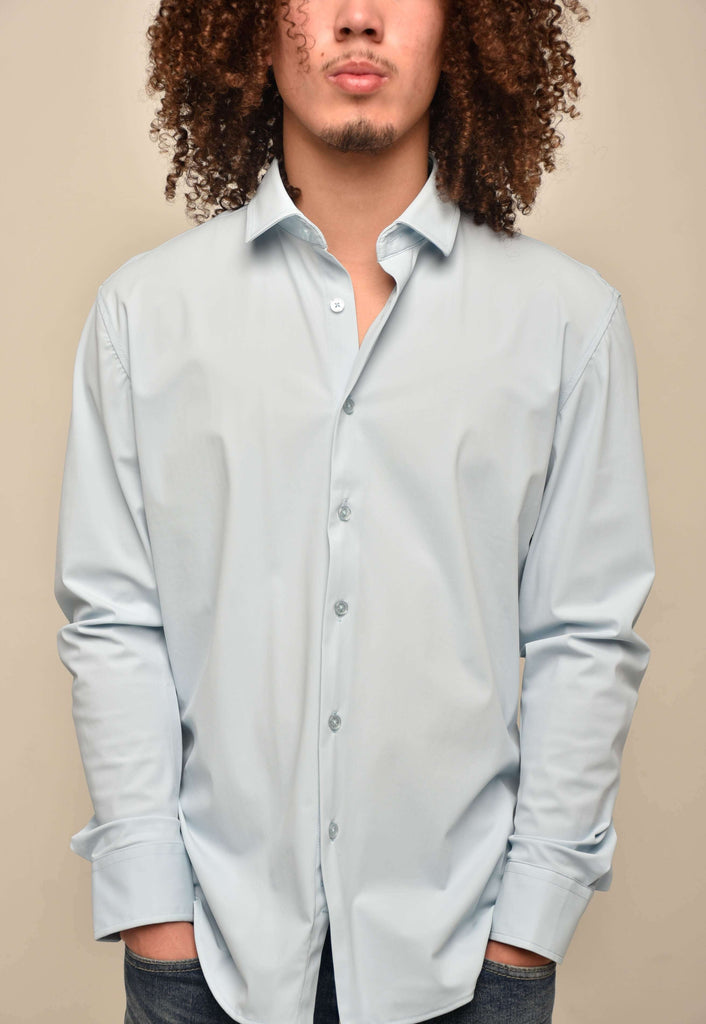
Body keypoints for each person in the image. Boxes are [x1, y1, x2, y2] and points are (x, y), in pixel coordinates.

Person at [53, 0, 655, 1021]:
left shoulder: (565, 322)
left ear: (464, 28)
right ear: (244, 27)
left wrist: (525, 931)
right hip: (206, 965)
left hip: (470, 964)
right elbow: (115, 625)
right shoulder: (143, 317)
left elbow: (582, 638)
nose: (359, 17)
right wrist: (156, 915)